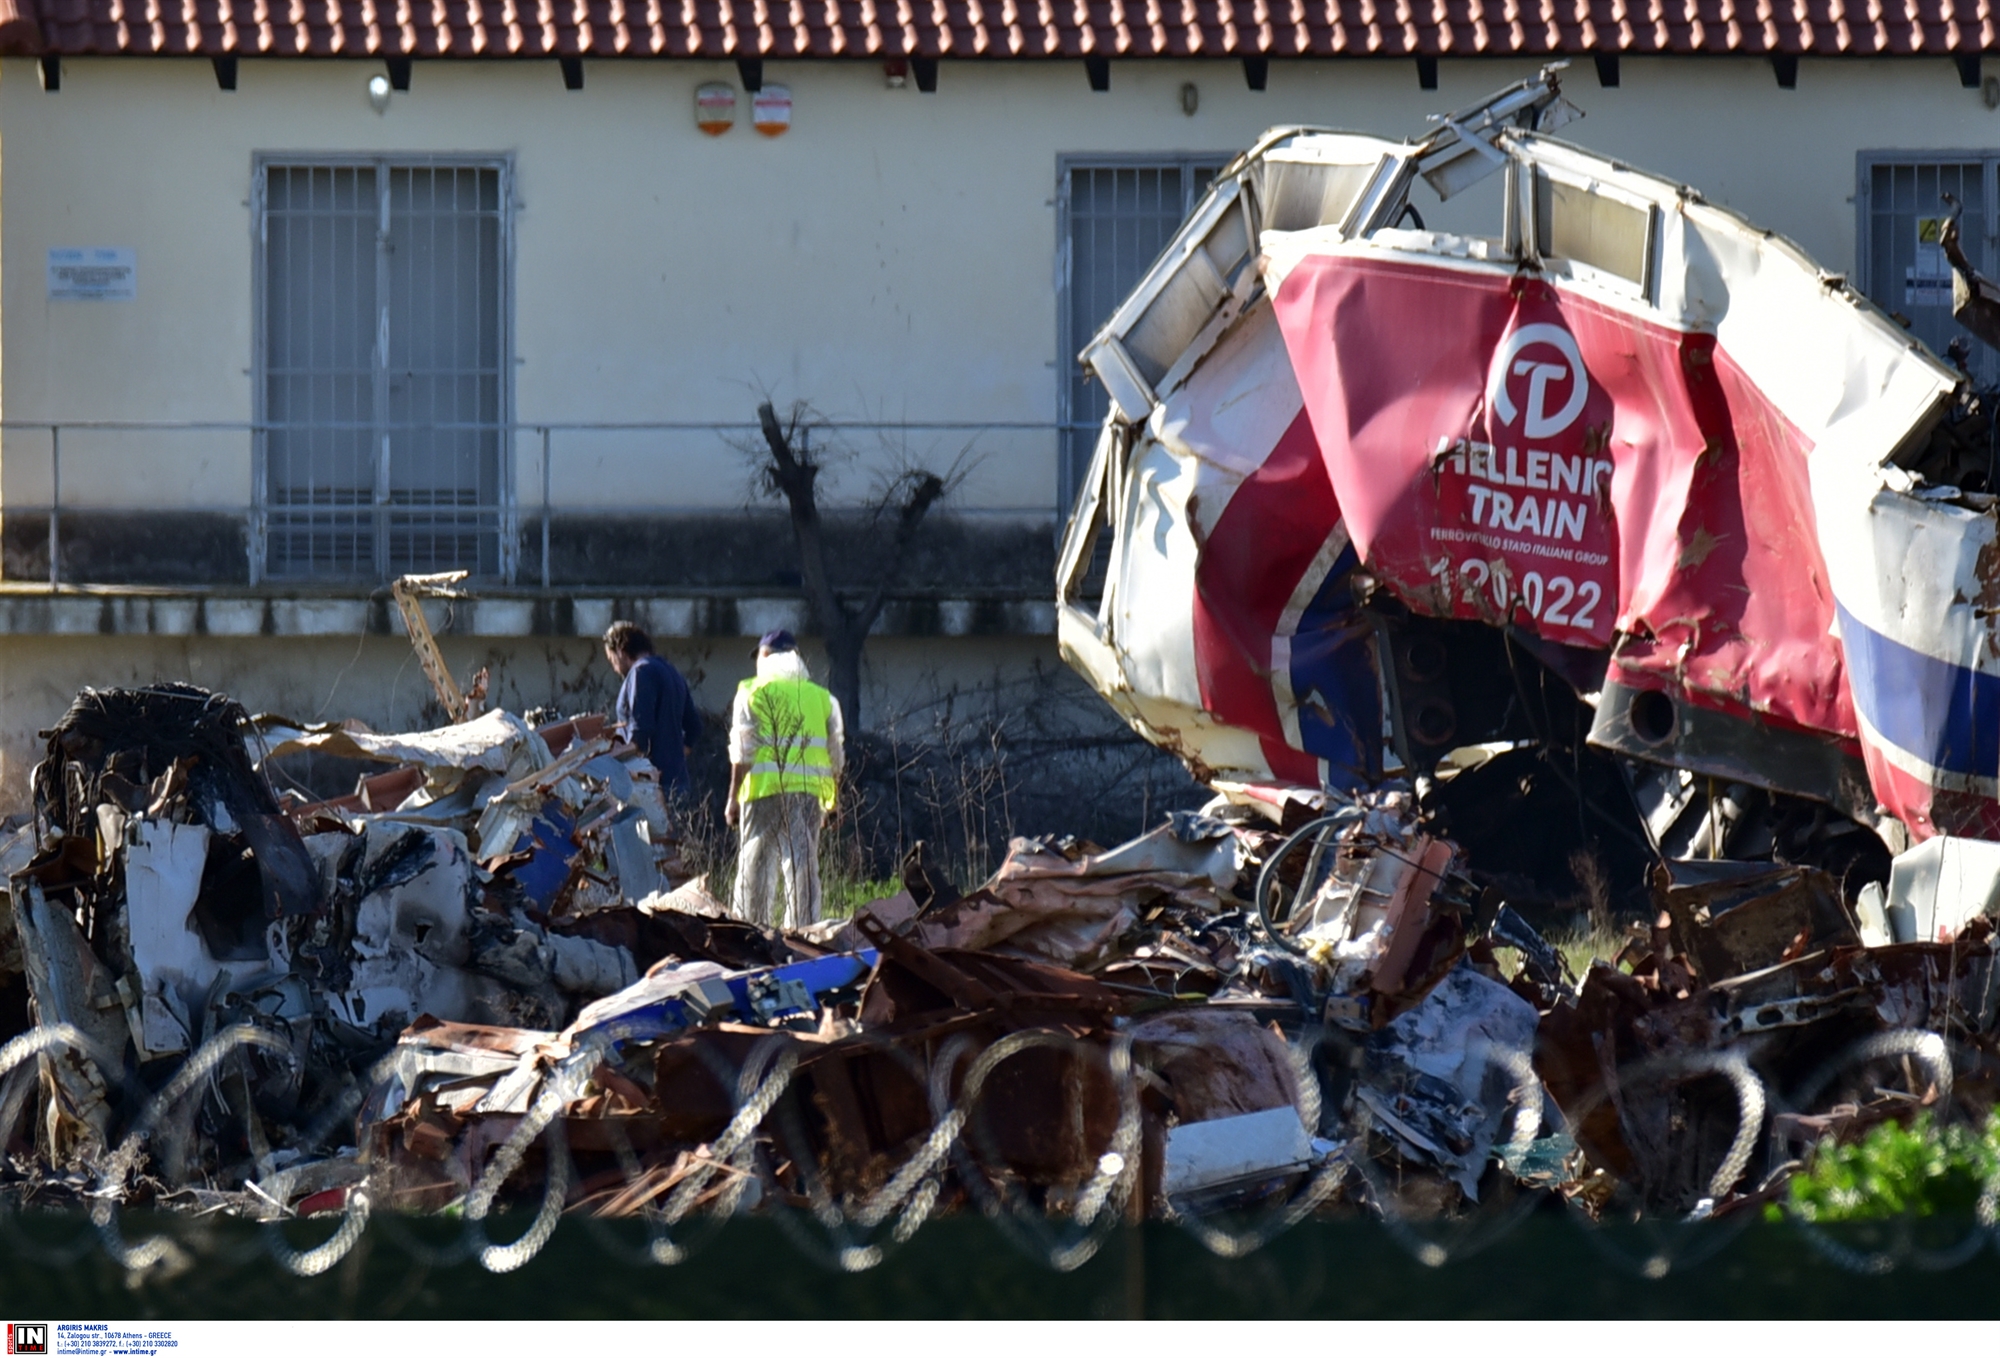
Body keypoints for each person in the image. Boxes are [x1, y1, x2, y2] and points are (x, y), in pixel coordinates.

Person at [727, 629, 844, 929]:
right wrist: (833, 802)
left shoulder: (750, 691)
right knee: (803, 867)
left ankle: (751, 932)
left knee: (755, 867)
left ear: (765, 655)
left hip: (762, 793)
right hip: (807, 795)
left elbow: (742, 751)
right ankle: (804, 934)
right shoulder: (823, 698)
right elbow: (835, 755)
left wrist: (732, 799)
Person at [602, 621, 703, 797]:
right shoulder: (672, 672)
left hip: (650, 785)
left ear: (620, 651)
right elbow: (694, 727)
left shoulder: (641, 672)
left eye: (612, 660)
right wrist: (673, 758)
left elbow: (640, 733)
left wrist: (608, 759)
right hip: (678, 782)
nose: (614, 668)